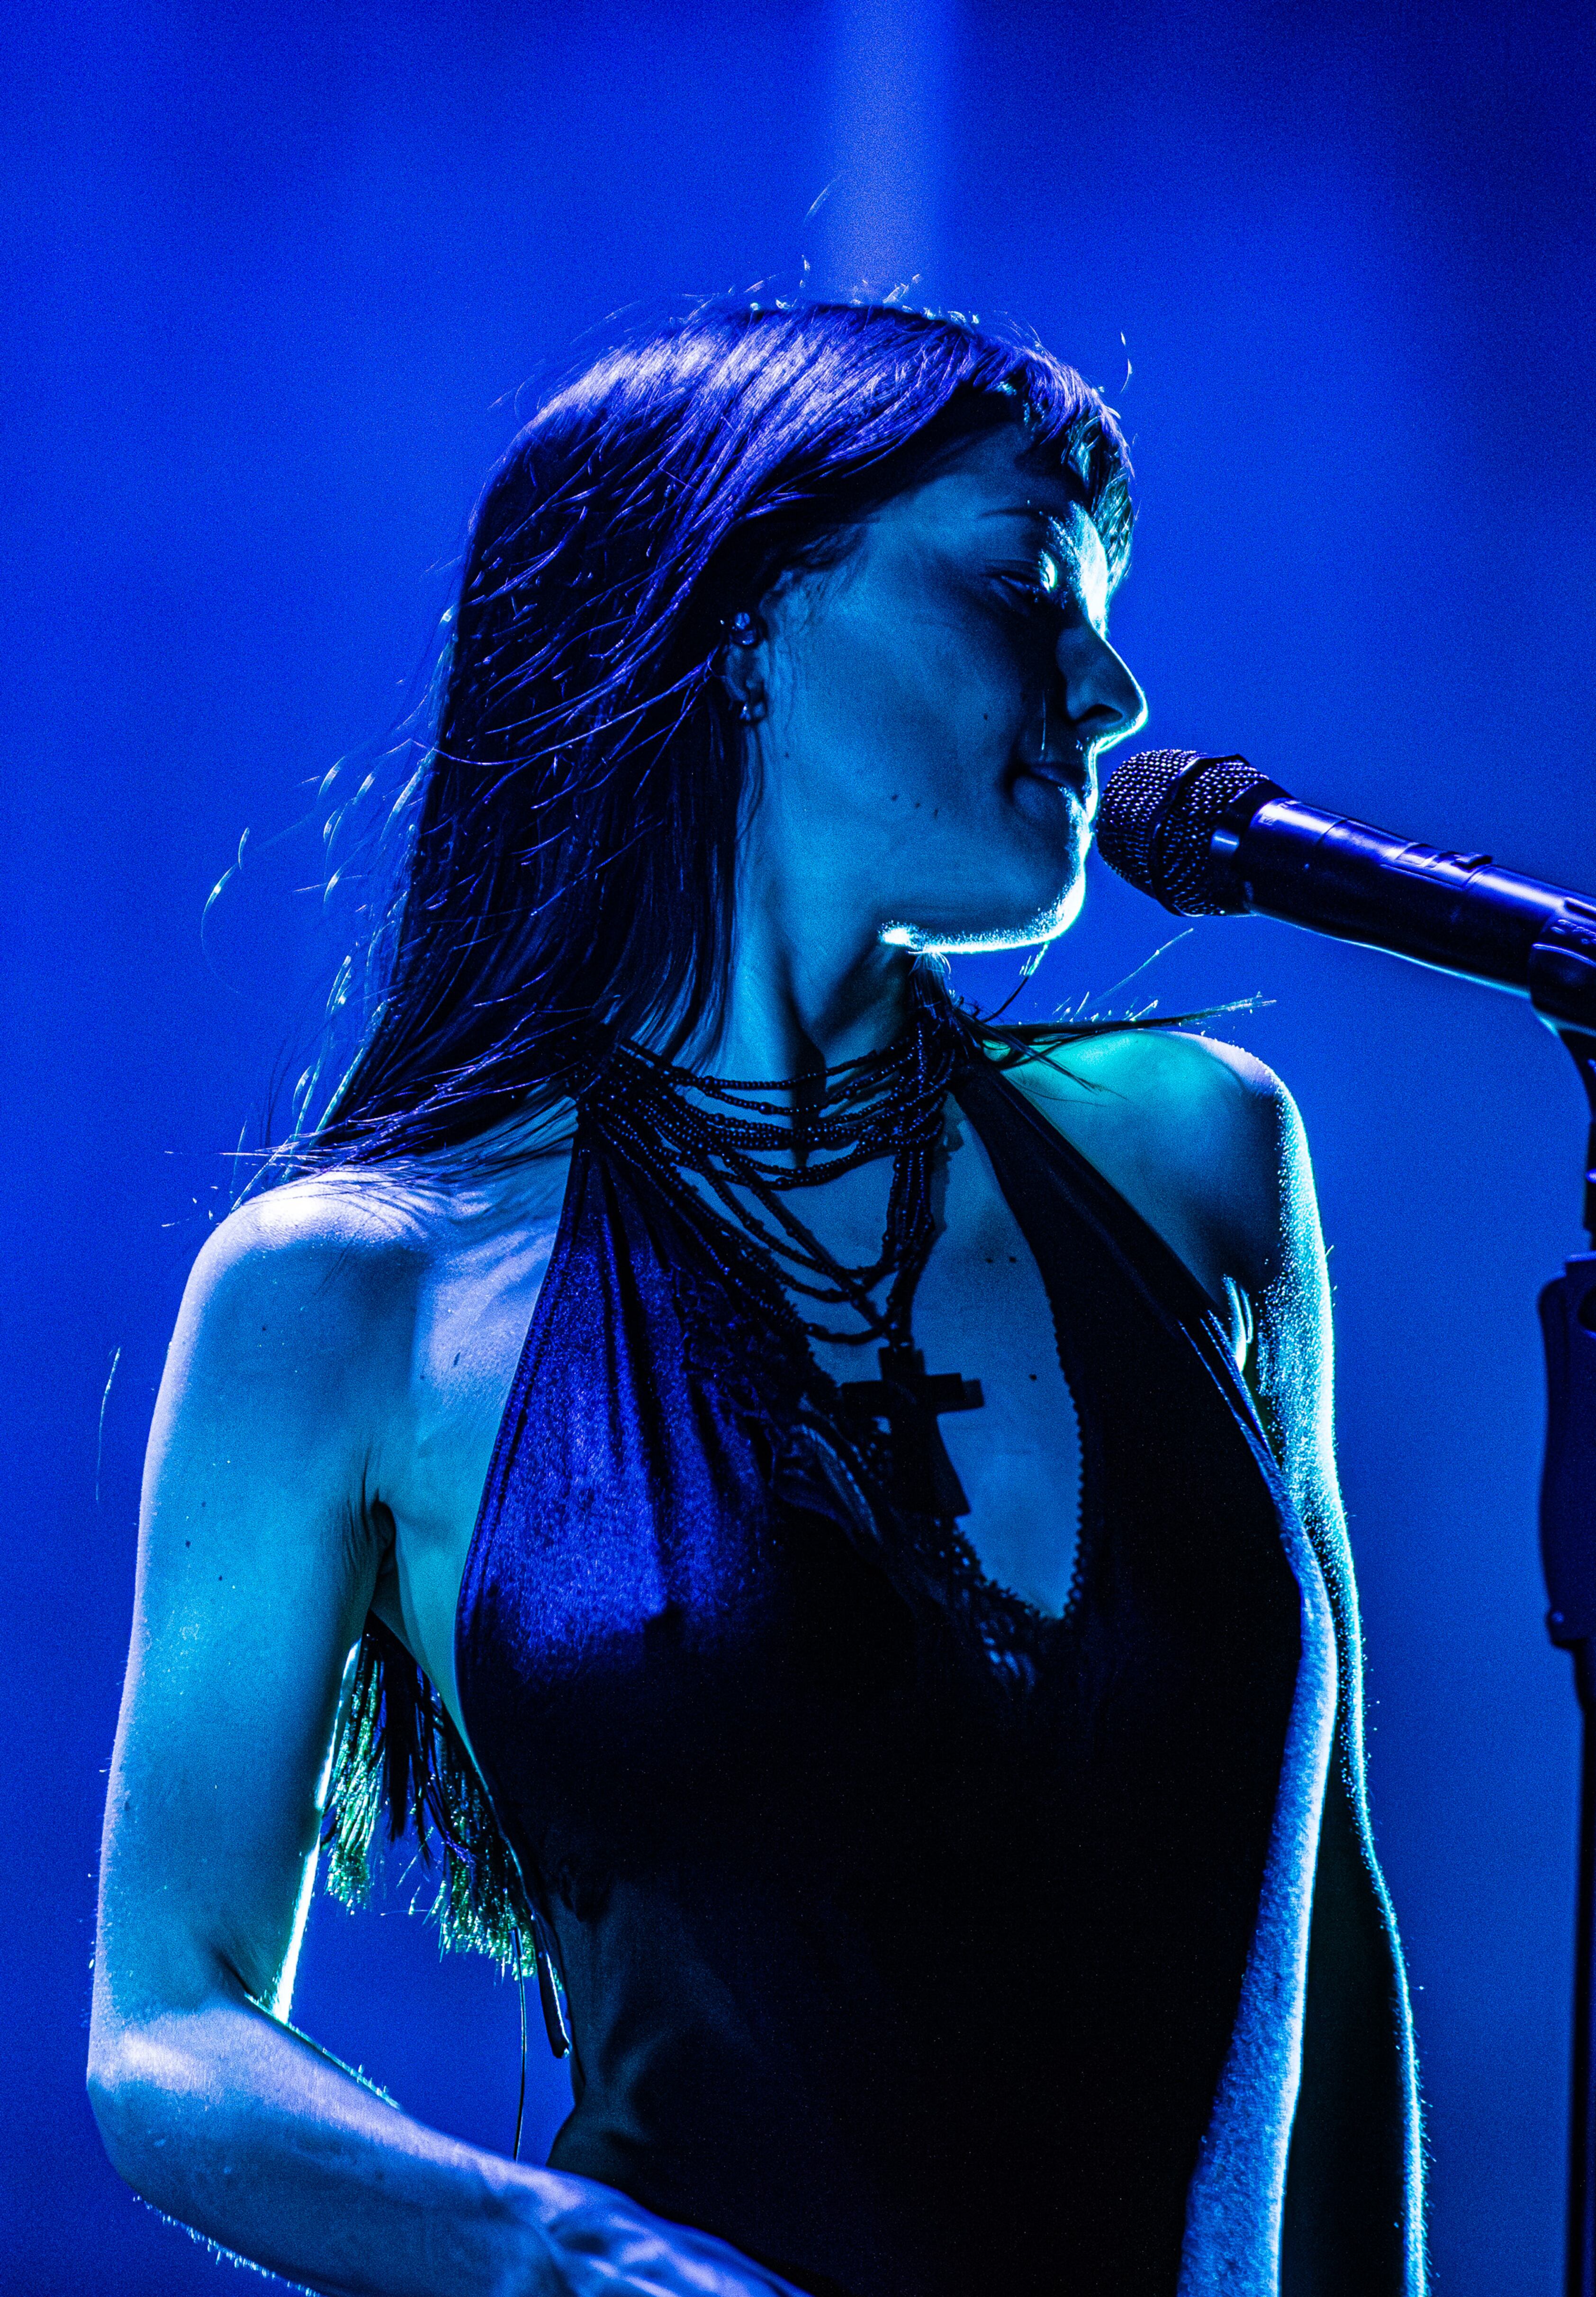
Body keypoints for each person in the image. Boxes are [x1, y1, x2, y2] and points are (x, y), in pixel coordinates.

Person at [88, 300, 1424, 2297]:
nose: (1115, 688)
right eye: (1024, 588)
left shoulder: (1202, 1160)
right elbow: (165, 2025)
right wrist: (554, 2253)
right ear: (744, 617)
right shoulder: (354, 1289)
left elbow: (1325, 1922)